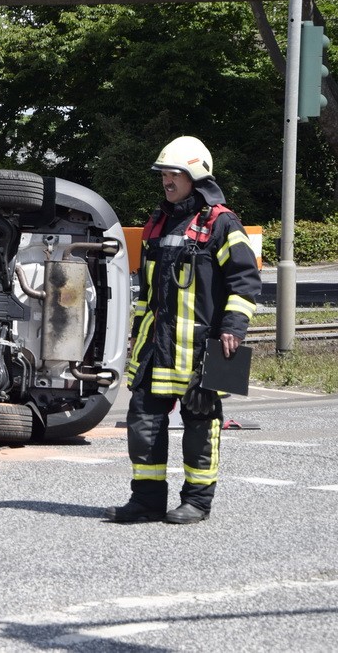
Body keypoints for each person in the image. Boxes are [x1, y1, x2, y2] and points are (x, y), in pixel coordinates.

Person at [106, 136, 261, 525]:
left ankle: (197, 502)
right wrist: (136, 338)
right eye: (163, 174)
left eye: (173, 173)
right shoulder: (157, 222)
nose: (166, 180)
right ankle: (146, 501)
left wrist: (234, 327)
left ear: (195, 175)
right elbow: (148, 293)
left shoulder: (223, 223)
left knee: (200, 427)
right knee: (143, 425)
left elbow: (246, 282)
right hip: (155, 348)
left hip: (200, 348)